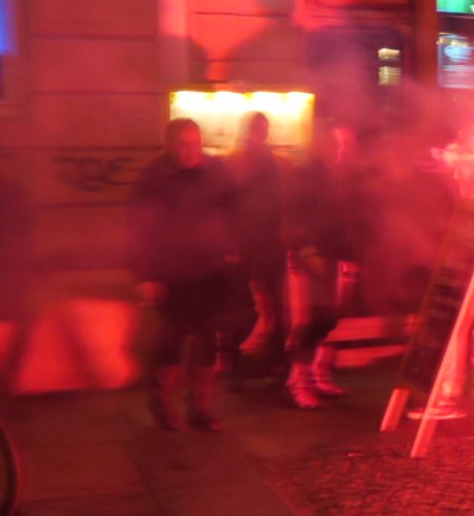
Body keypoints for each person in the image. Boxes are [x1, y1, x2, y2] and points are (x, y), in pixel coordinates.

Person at [127, 118, 242, 431]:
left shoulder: (217, 172)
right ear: (167, 145)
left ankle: (200, 405)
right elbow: (137, 230)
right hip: (171, 272)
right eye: (181, 144)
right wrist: (144, 276)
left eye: (193, 144)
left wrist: (232, 248)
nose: (187, 151)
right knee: (172, 338)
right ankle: (161, 400)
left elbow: (235, 211)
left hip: (211, 270)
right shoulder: (152, 179)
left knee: (208, 338)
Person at [282, 124, 364, 409]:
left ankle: (317, 375)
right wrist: (306, 249)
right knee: (308, 322)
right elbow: (289, 217)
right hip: (309, 259)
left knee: (328, 320)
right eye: (340, 146)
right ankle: (298, 383)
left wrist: (349, 255)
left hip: (334, 257)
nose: (345, 152)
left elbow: (344, 222)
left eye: (349, 147)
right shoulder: (303, 176)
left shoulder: (337, 176)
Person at [230, 112, 287, 381]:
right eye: (259, 129)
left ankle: (250, 364)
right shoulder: (256, 160)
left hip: (262, 242)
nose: (261, 134)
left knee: (262, 305)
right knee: (258, 306)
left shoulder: (244, 159)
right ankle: (253, 363)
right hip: (255, 243)